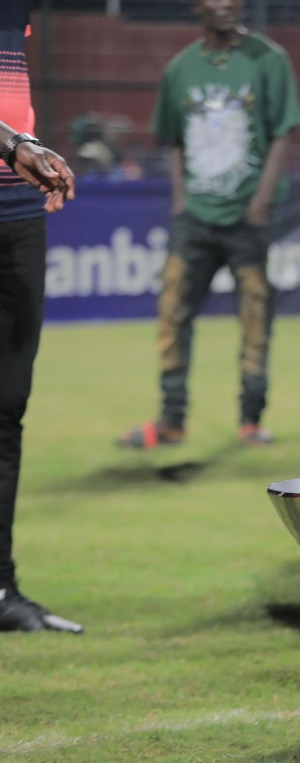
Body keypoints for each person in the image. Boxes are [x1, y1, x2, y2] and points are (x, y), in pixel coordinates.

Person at [116, 0, 300, 450]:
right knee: (171, 313)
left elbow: (283, 132)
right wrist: (182, 201)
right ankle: (171, 420)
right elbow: (175, 141)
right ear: (196, 5)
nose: (227, 4)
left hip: (247, 218)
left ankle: (251, 420)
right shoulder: (180, 68)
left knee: (255, 316)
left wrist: (260, 202)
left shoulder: (269, 59)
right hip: (195, 218)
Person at [0, 1, 83, 633]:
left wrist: (26, 148)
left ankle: (1, 589)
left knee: (6, 410)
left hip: (17, 214)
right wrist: (14, 143)